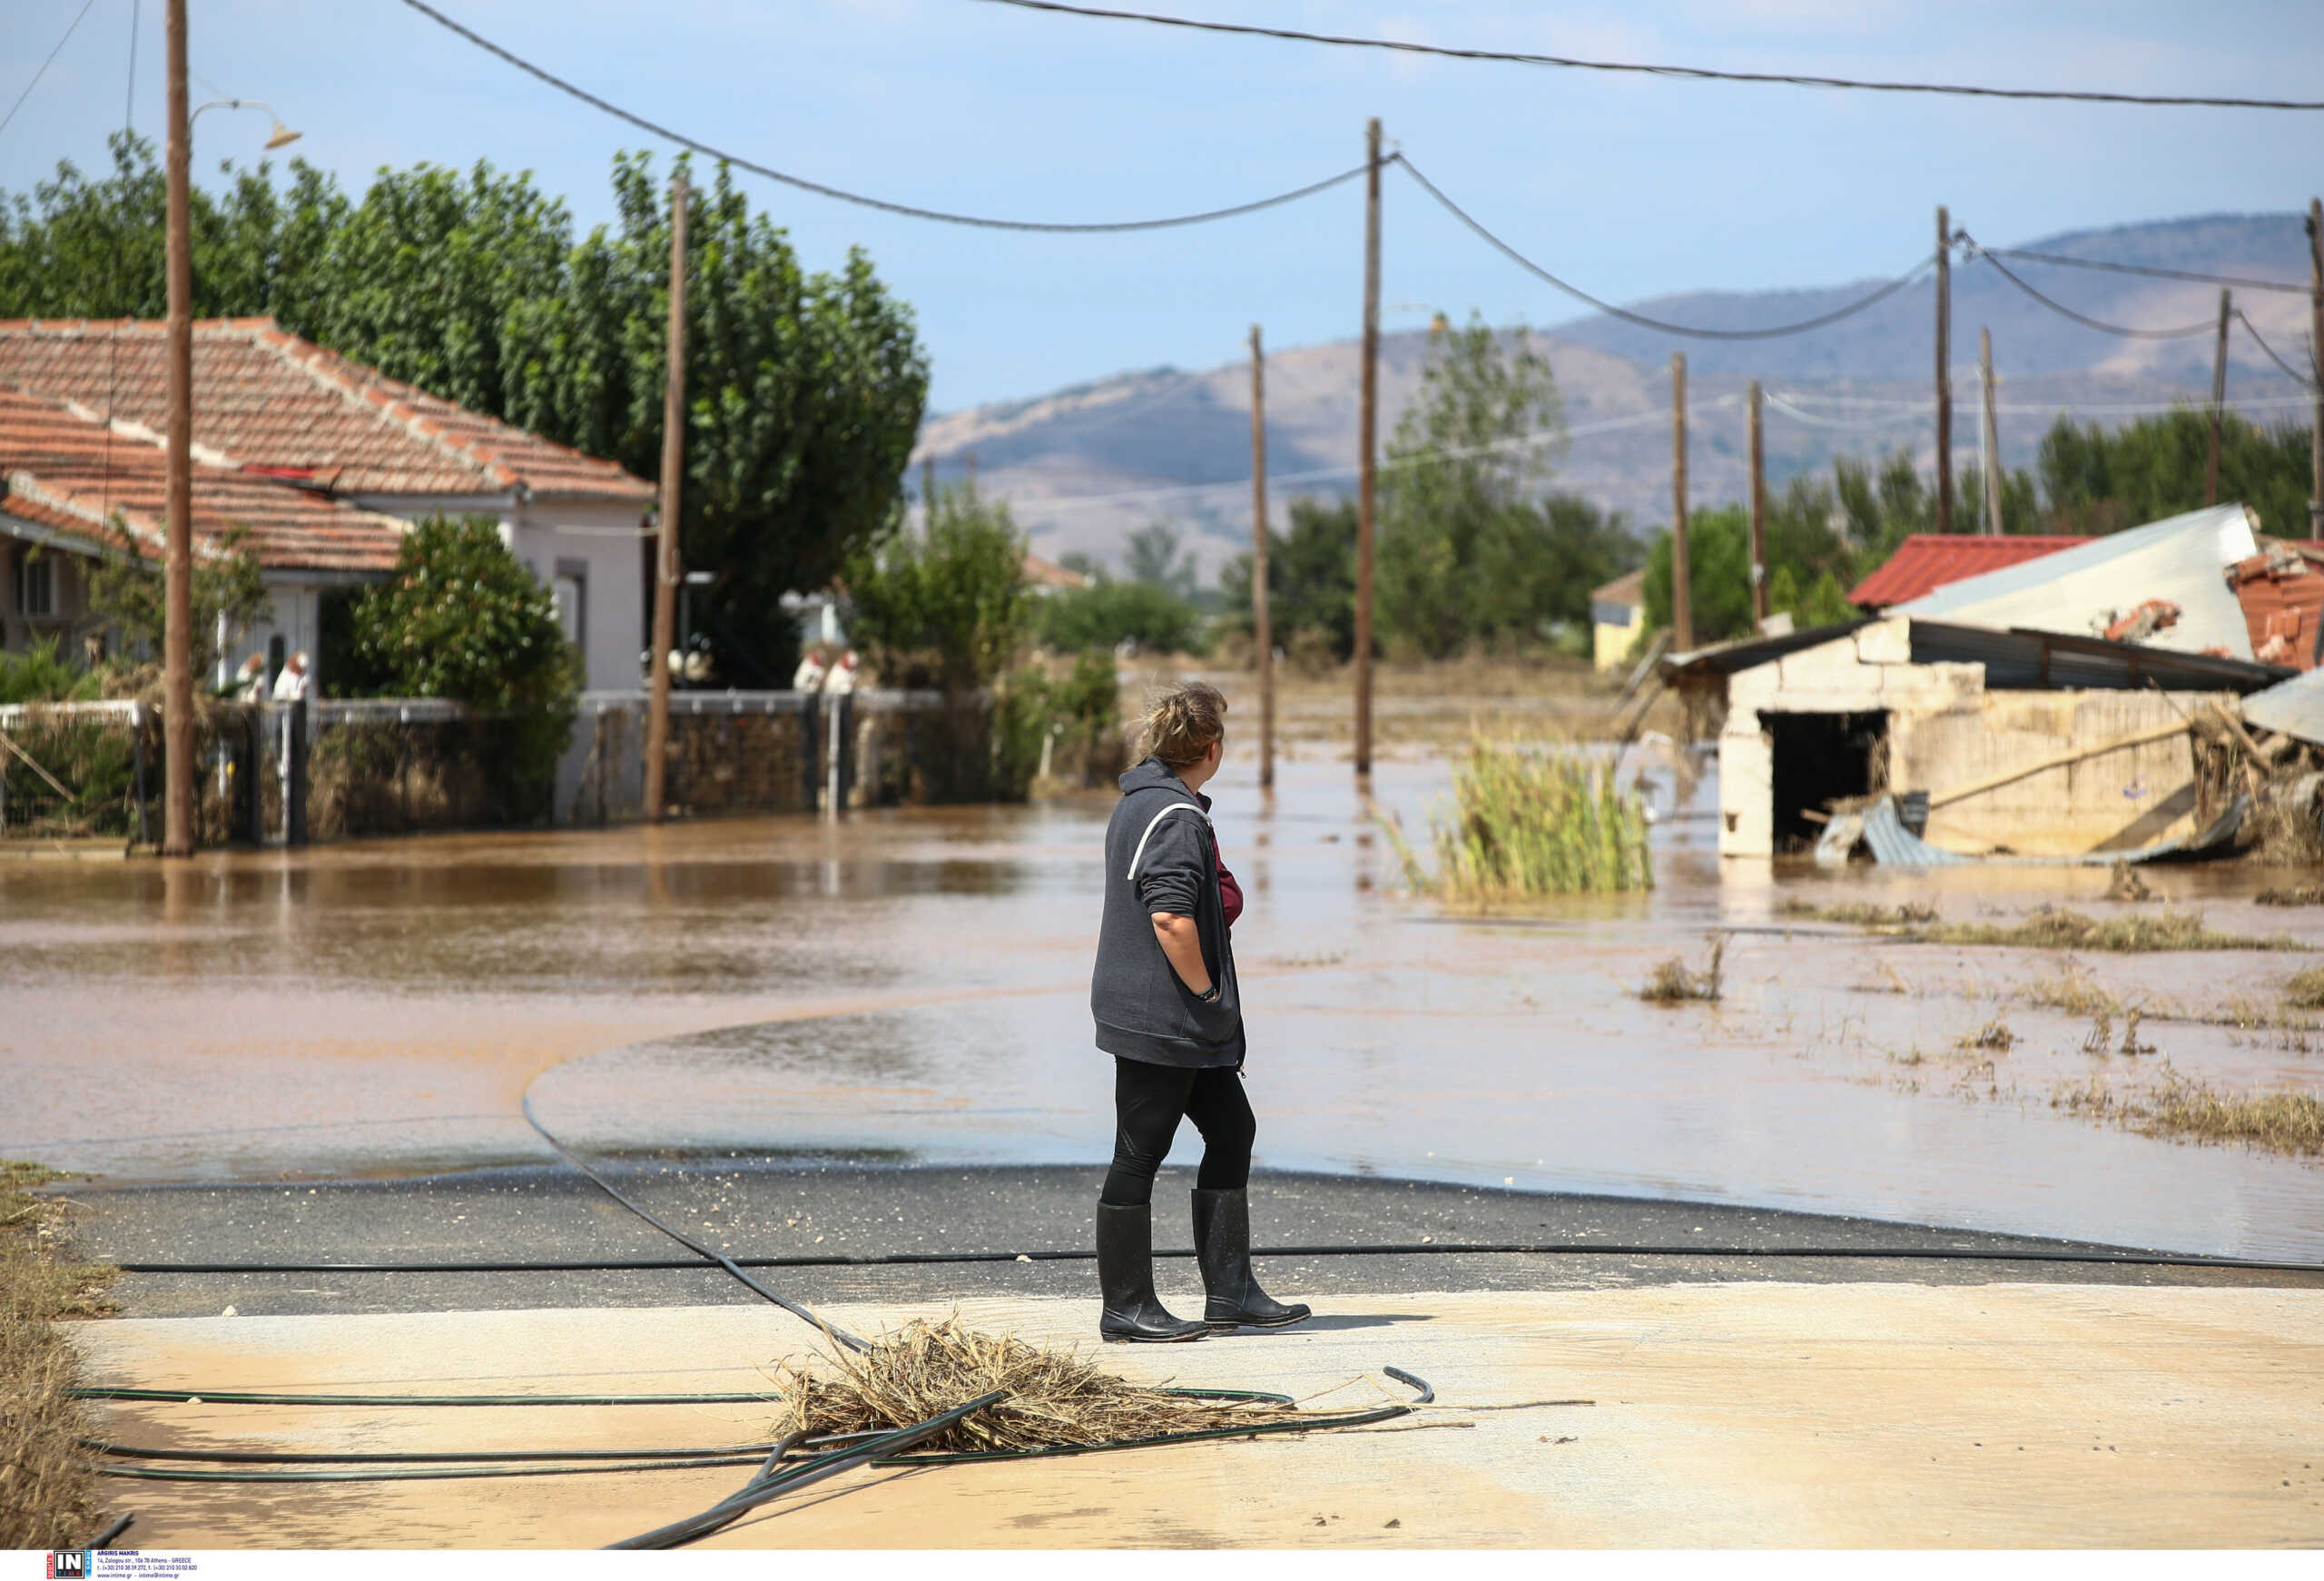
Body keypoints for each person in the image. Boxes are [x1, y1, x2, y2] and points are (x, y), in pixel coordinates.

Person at [1088, 680, 1309, 1342]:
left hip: (1173, 1017)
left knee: (1232, 1127)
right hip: (1167, 1017)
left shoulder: (1141, 802)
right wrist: (1209, 993)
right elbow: (1170, 917)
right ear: (1211, 748)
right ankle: (1125, 1306)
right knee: (1139, 1152)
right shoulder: (1175, 816)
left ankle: (1231, 1292)